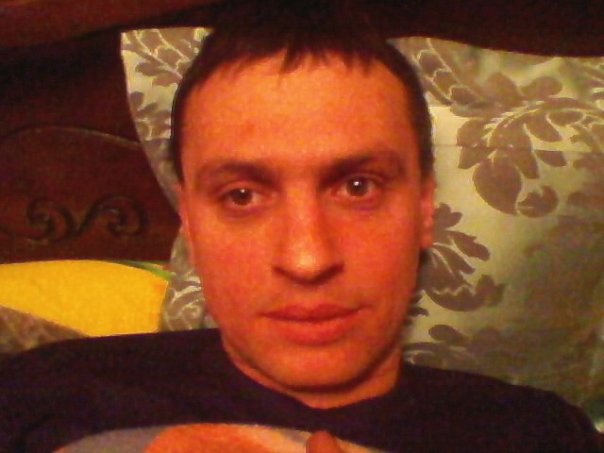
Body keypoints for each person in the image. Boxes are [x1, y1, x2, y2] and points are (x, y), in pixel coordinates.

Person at [0, 1, 600, 452]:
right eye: (241, 196)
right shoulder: (40, 392)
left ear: (424, 211)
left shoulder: (542, 432)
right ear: (191, 223)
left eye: (358, 187)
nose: (308, 258)